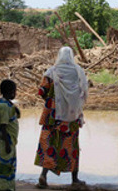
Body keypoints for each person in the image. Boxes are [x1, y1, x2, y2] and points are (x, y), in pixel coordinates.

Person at [34, 46, 88, 188]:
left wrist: (51, 99)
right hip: (71, 117)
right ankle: (74, 179)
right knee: (71, 146)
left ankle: (43, 176)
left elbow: (41, 91)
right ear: (71, 56)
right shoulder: (78, 72)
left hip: (52, 116)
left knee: (49, 145)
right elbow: (83, 91)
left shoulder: (52, 72)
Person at [0, 79, 20, 191]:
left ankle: (8, 187)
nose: (15, 93)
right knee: (4, 166)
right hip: (7, 141)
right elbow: (3, 126)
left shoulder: (8, 104)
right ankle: (1, 187)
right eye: (14, 91)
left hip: (11, 141)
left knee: (10, 165)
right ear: (10, 91)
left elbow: (17, 115)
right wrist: (7, 144)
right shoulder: (4, 106)